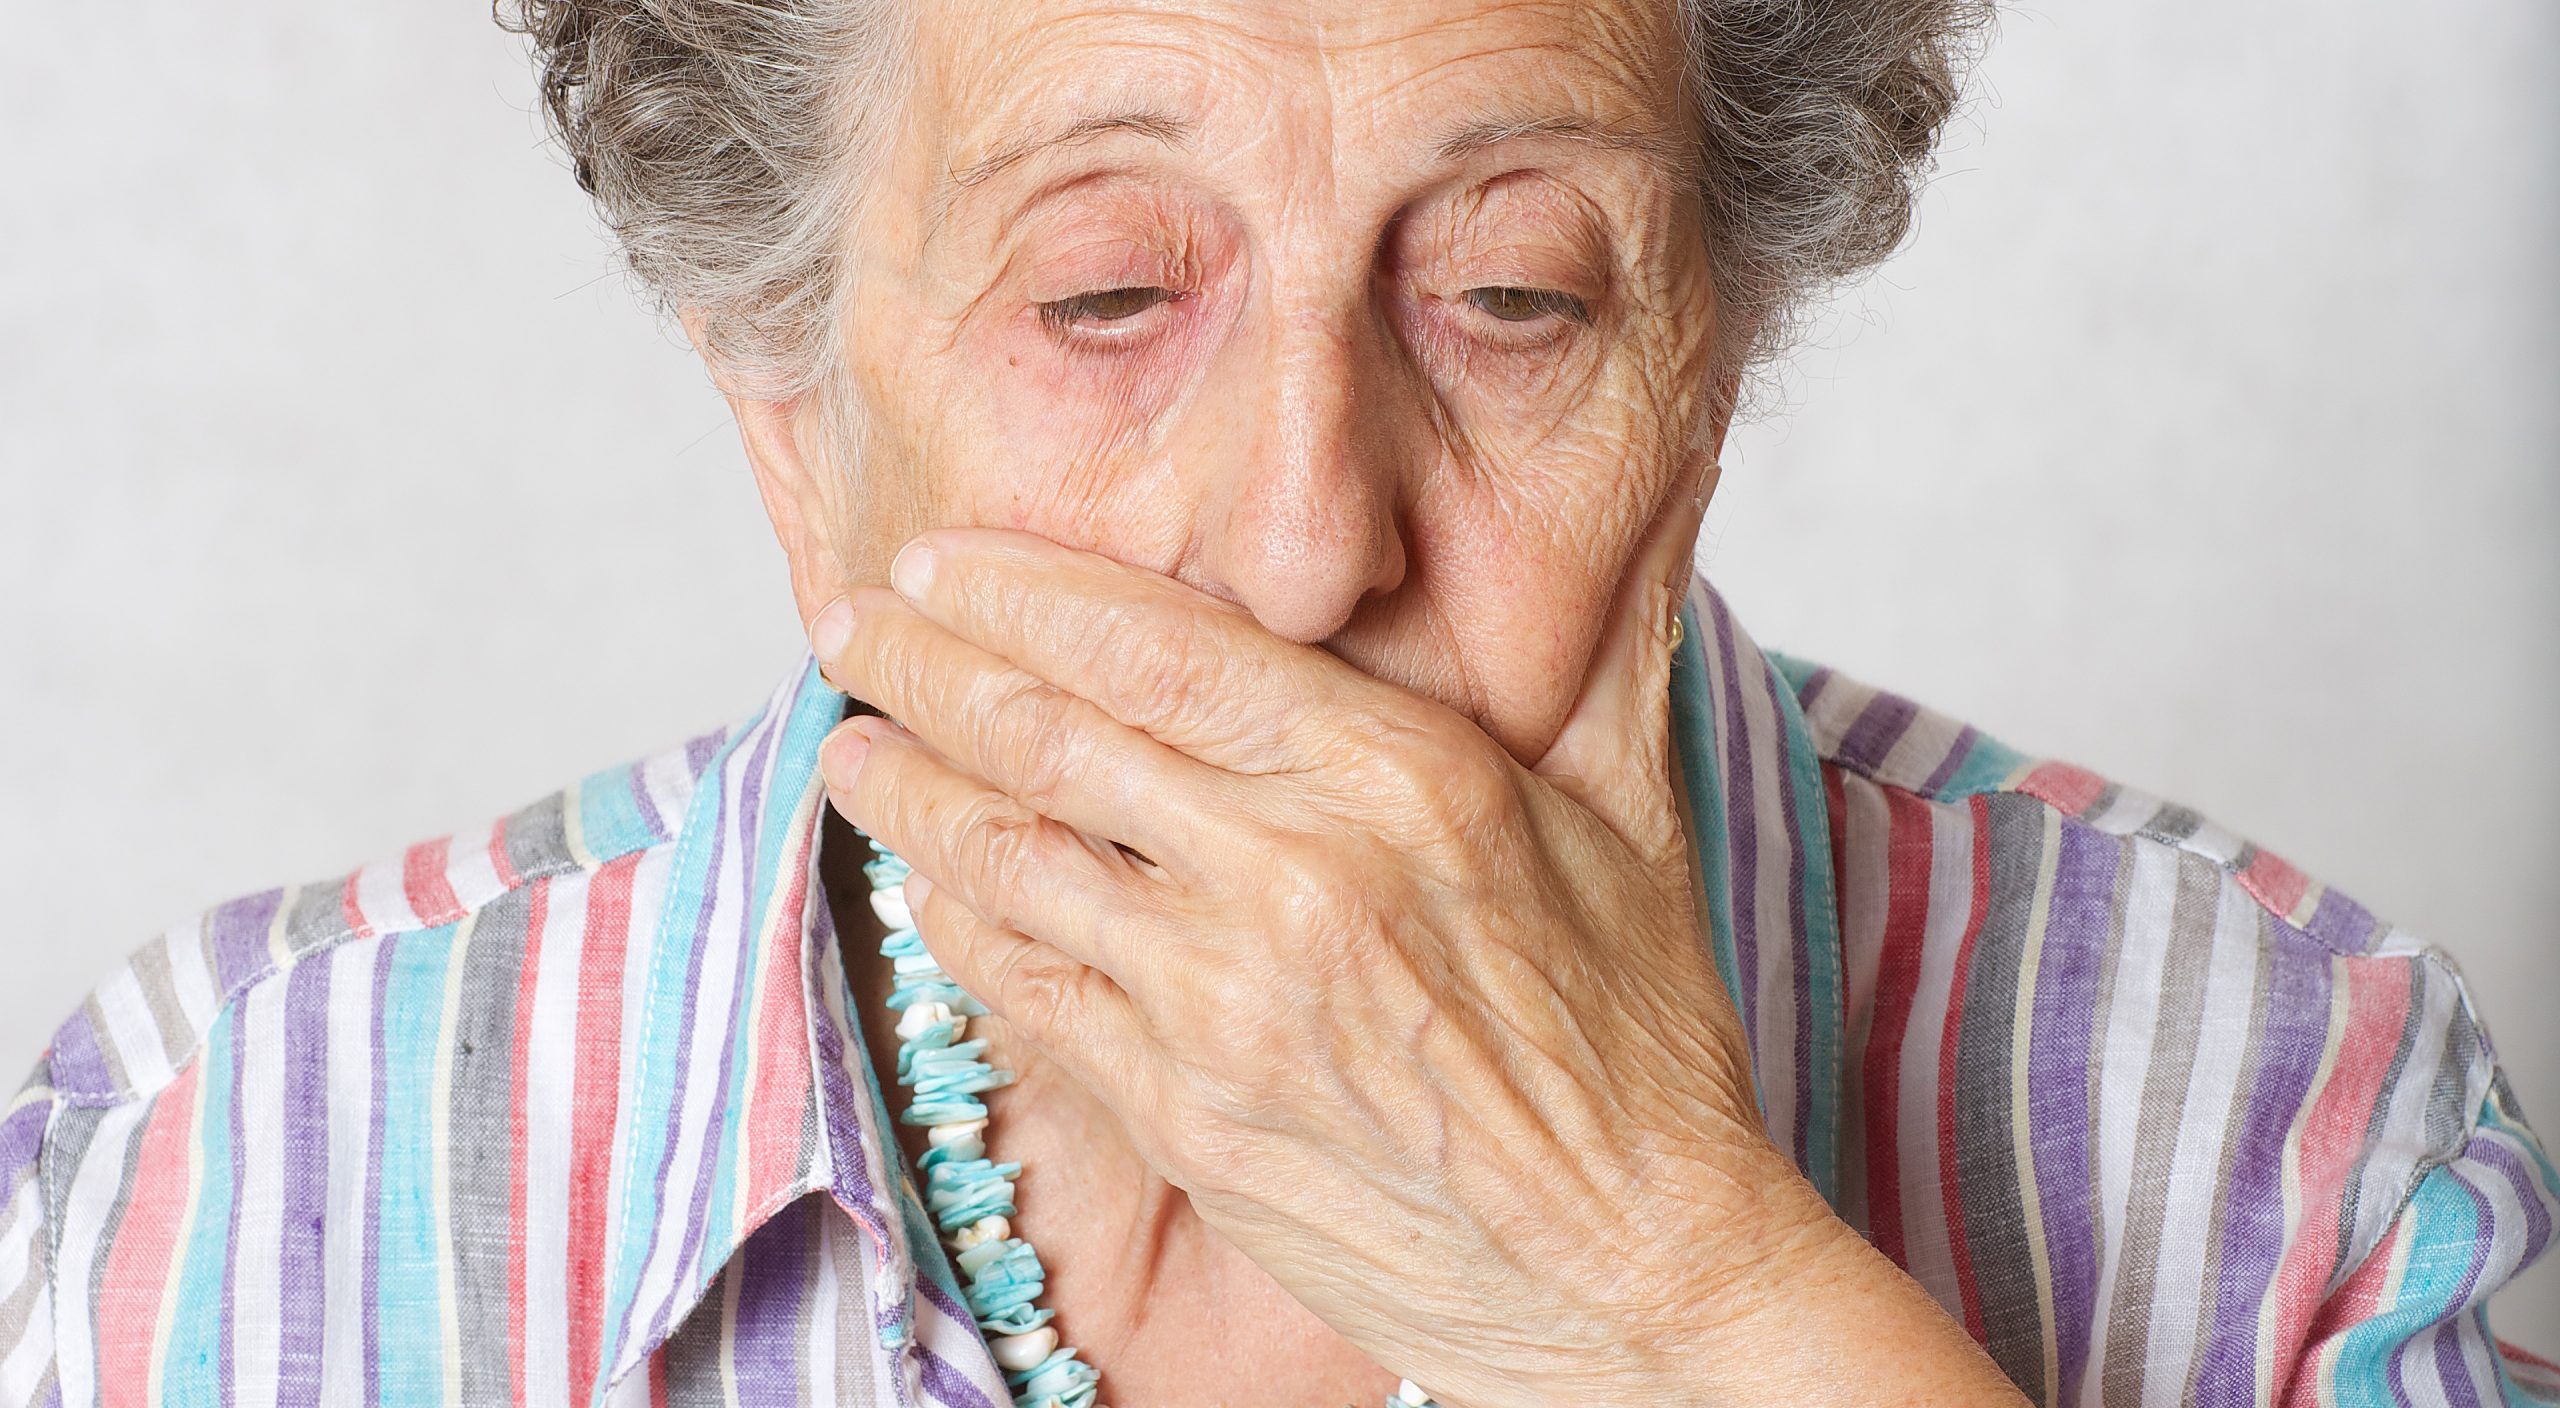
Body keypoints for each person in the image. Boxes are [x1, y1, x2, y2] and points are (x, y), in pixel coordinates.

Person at [2, 1, 2551, 1404]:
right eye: (1106, 292)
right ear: (788, 413)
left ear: (1713, 352)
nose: (1311, 536)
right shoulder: (203, 1178)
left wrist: (1660, 1283)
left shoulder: (2293, 1128)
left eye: (1518, 292)